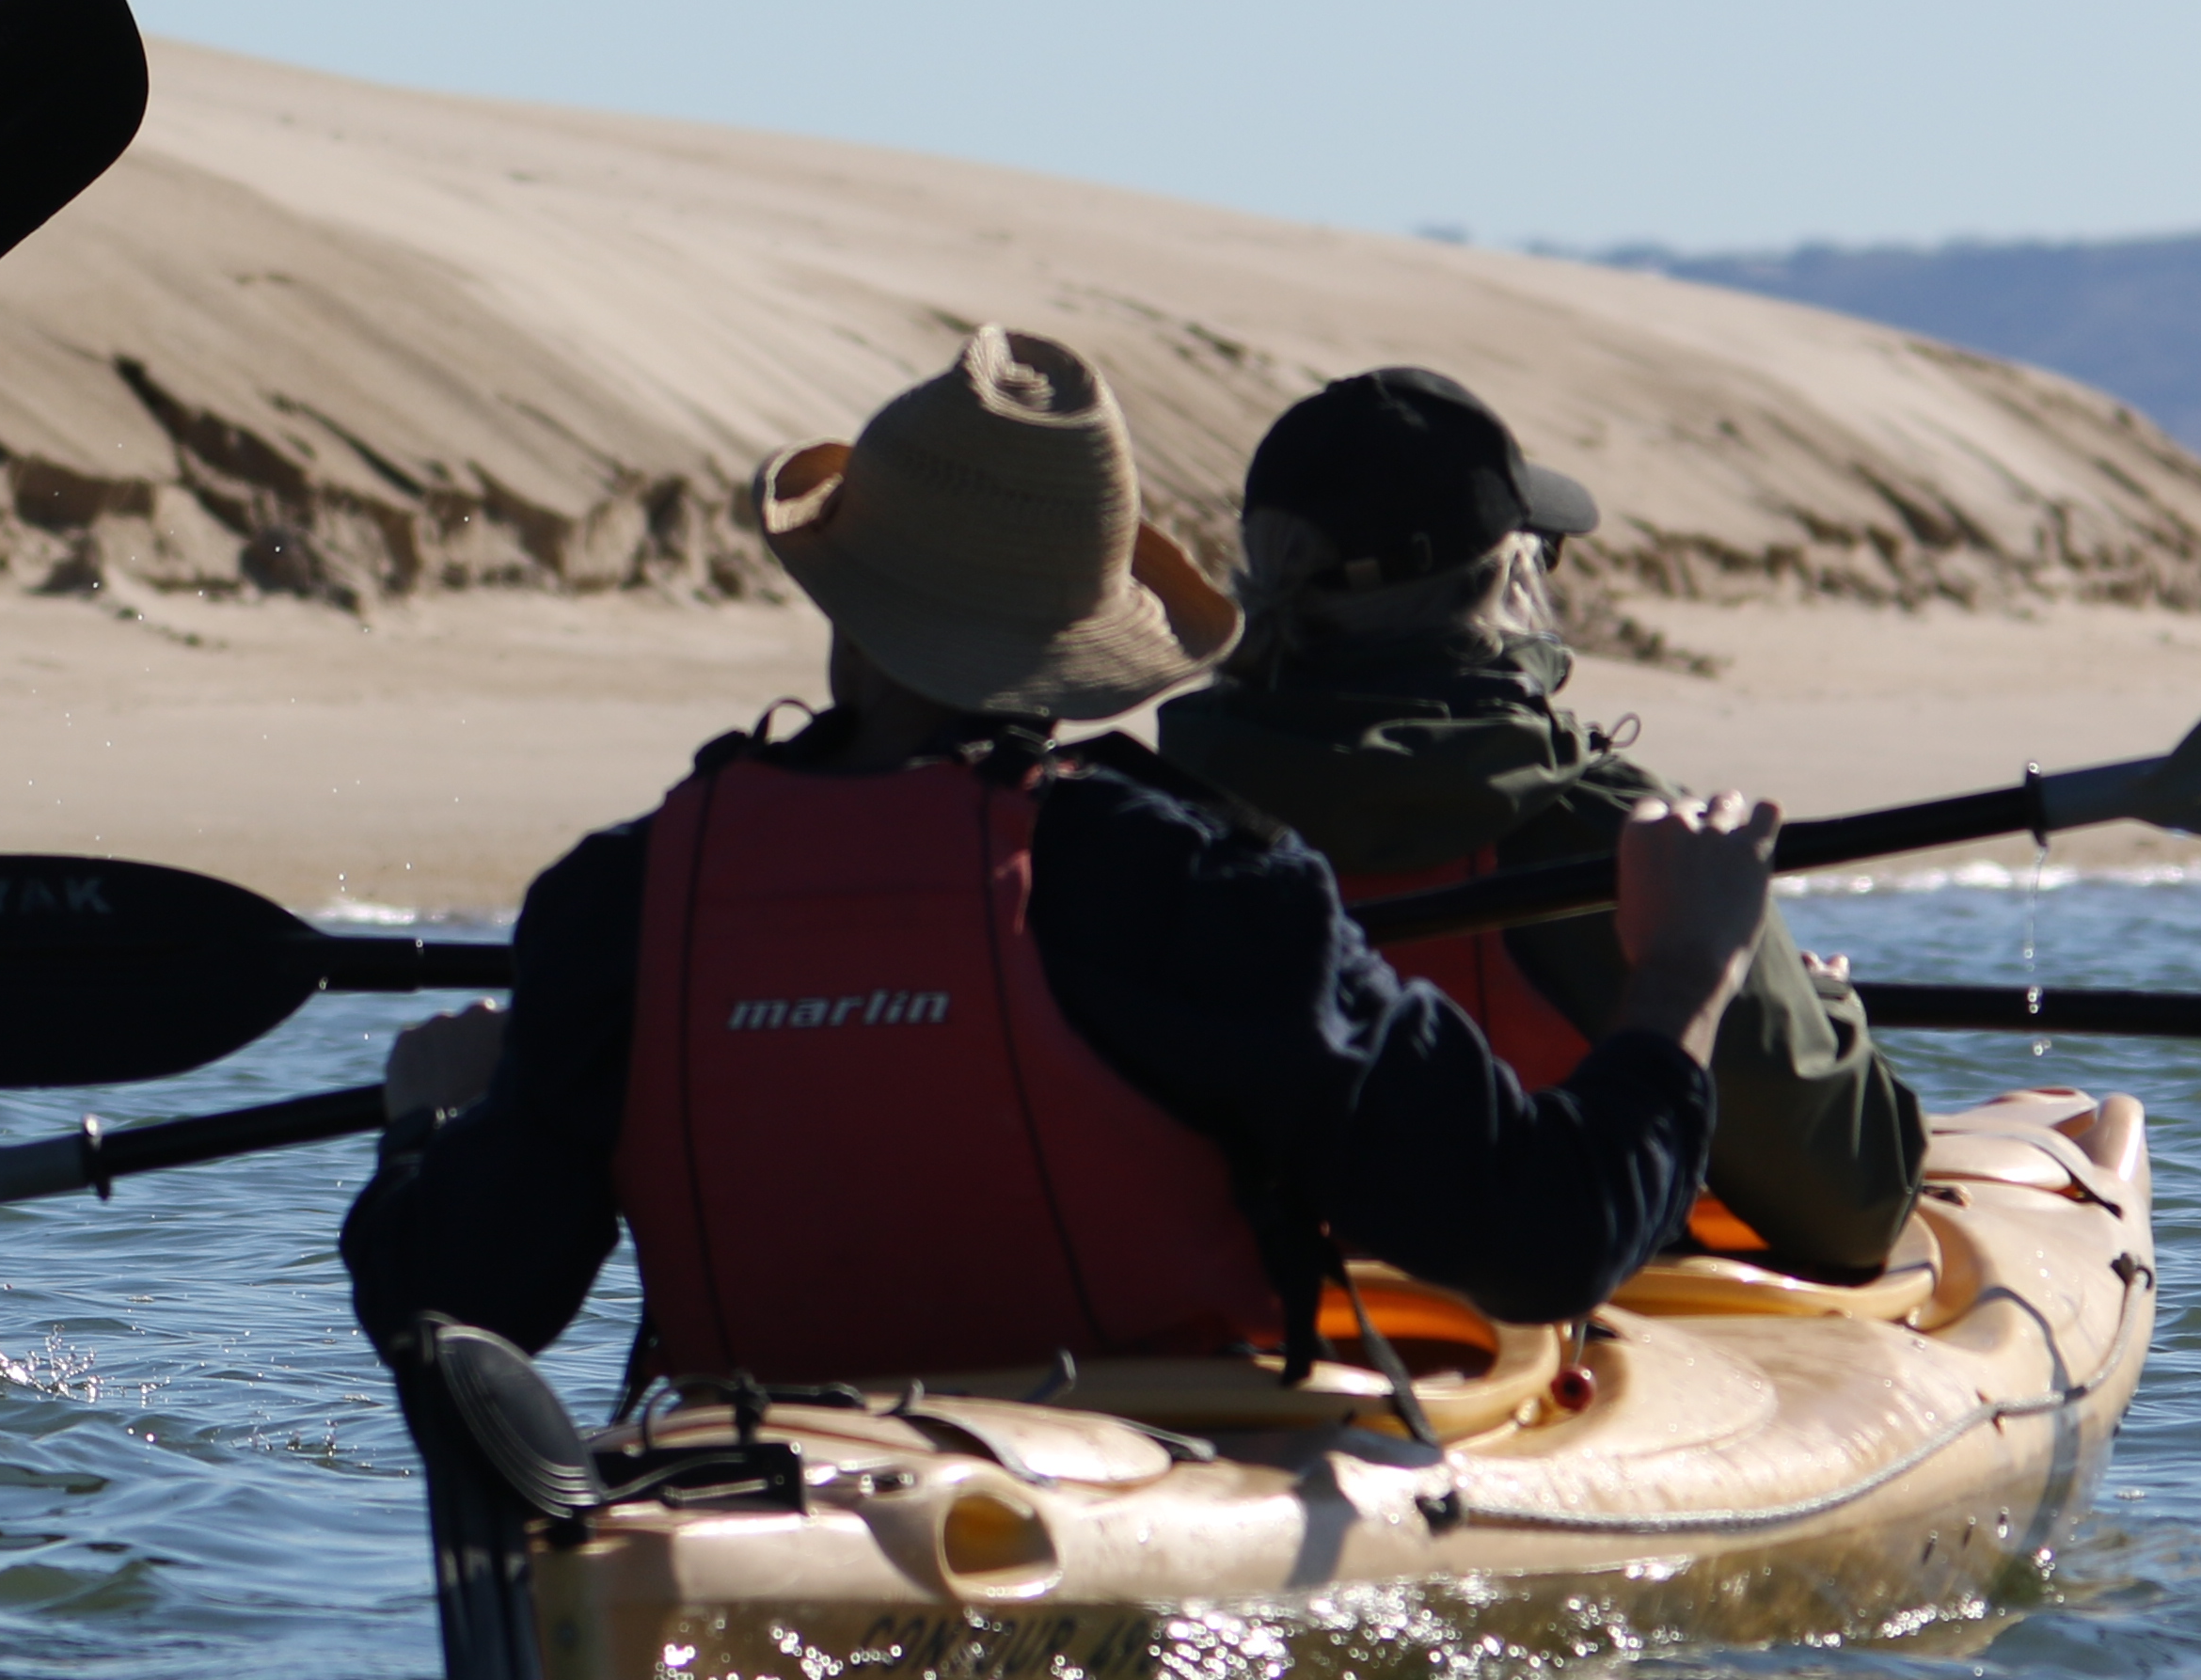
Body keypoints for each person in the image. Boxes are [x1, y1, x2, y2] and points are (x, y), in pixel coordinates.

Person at [340, 325, 1772, 1398]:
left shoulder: (616, 901)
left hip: (756, 1476)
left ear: (844, 610)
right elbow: (1552, 1234)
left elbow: (455, 1311)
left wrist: (433, 1129)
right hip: (1158, 1486)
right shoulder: (1195, 889)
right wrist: (1682, 980)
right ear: (1086, 645)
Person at [1156, 365, 1924, 1280]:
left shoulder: (1137, 821)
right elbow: (1857, 1206)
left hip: (1228, 1302)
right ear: (1510, 577)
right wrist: (1824, 1006)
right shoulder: (1613, 834)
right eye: (1544, 555)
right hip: (1538, 1306)